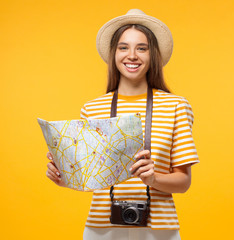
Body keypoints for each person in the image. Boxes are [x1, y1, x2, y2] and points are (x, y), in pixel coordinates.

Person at [45, 9, 200, 240]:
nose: (132, 55)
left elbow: (183, 182)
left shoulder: (175, 106)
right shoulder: (92, 108)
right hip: (101, 227)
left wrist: (153, 179)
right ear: (114, 53)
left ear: (152, 55)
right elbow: (90, 176)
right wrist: (65, 175)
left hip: (158, 229)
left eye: (142, 48)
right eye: (123, 47)